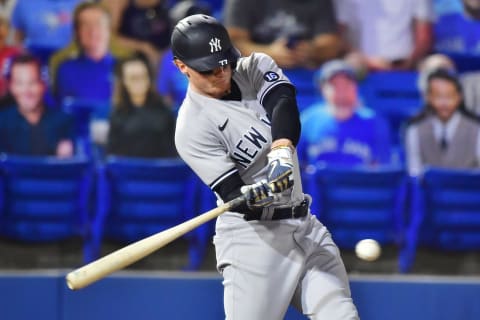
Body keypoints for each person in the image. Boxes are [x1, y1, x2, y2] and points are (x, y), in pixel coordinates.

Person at [172, 14, 359, 320]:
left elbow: (283, 103)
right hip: (255, 241)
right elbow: (233, 194)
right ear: (182, 67)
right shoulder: (191, 127)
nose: (221, 72)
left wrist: (282, 151)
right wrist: (254, 195)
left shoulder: (253, 67)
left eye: (224, 62)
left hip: (304, 227)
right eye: (209, 68)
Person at [298, 59, 392, 167]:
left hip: (358, 183)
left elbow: (382, 171)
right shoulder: (307, 121)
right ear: (323, 90)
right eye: (335, 86)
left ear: (356, 88)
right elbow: (296, 167)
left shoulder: (374, 122)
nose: (342, 93)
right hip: (318, 183)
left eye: (347, 85)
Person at [222, 0, 342, 70]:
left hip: (305, 72)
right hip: (255, 72)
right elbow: (233, 42)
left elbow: (330, 44)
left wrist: (309, 50)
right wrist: (269, 53)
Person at [405, 69, 480, 176]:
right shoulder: (415, 129)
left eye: (449, 96)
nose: (444, 103)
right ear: (428, 97)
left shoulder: (476, 129)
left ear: (459, 97)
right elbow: (414, 173)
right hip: (430, 192)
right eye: (438, 96)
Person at [0, 54, 74, 157]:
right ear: (11, 87)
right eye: (19, 83)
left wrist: (67, 157)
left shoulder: (65, 122)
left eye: (33, 82)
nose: (26, 91)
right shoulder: (2, 123)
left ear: (43, 84)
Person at [107, 52, 177, 158]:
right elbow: (112, 156)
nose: (139, 82)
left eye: (143, 76)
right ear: (124, 82)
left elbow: (173, 153)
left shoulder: (165, 113)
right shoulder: (117, 115)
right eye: (133, 78)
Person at [336, 0, 434, 72]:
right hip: (360, 64)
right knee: (351, 65)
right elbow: (338, 37)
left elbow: (423, 37)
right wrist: (368, 61)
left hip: (408, 65)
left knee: (437, 65)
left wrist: (406, 64)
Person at [10, 0, 83, 64]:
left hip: (70, 57)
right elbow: (19, 34)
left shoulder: (80, 3)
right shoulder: (24, 3)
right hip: (33, 57)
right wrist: (23, 57)